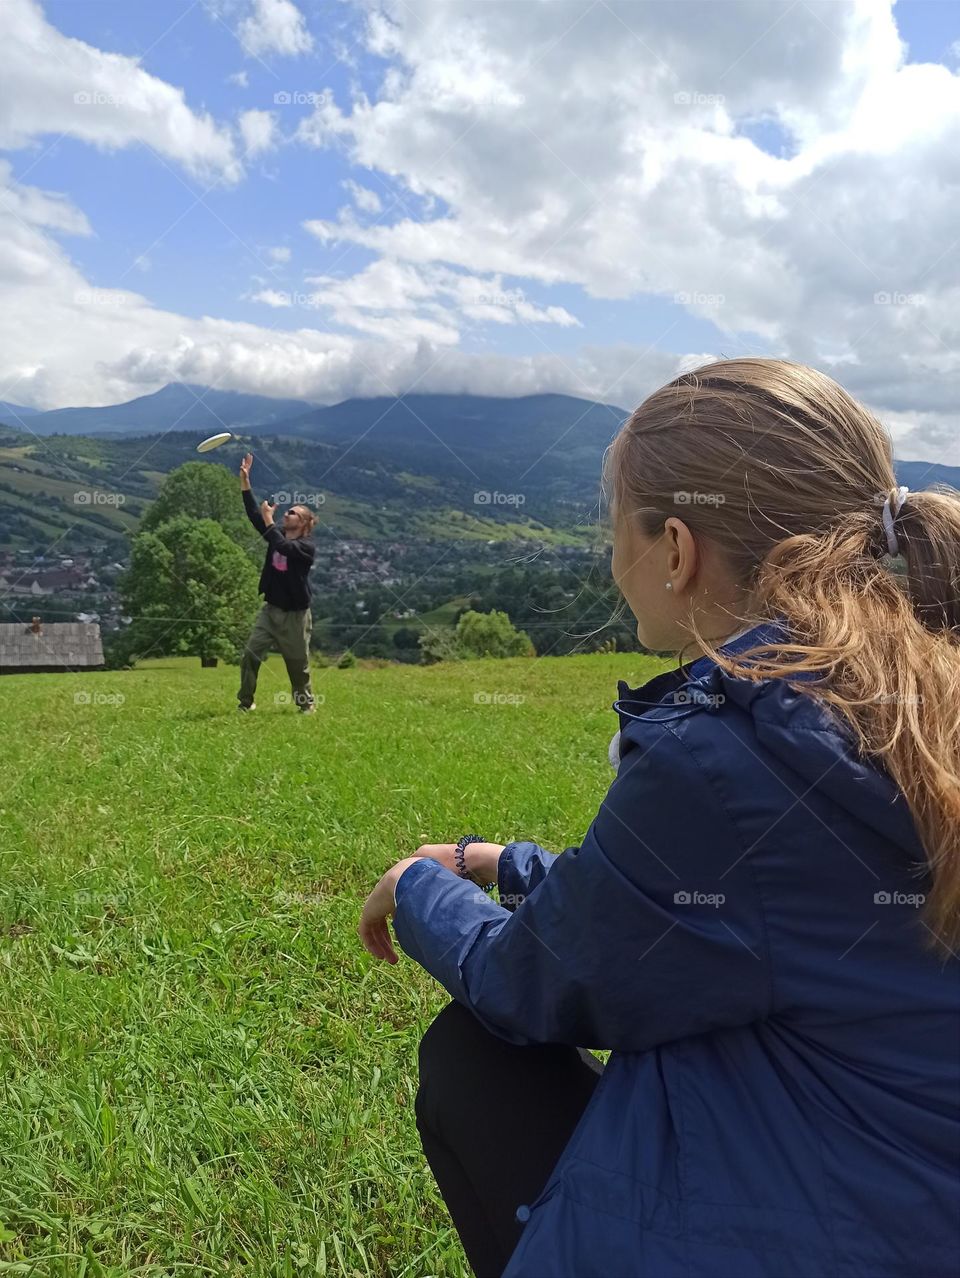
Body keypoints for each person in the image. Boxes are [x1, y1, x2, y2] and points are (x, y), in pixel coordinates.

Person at [358, 358, 960, 1278]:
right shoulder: (902, 700)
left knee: (474, 1065)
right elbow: (735, 914)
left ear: (675, 551)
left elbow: (532, 984)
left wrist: (416, 889)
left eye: (615, 534)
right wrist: (506, 863)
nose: (612, 561)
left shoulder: (735, 751)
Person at [237, 452, 317, 713]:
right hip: (270, 610)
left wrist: (269, 519)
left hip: (295, 615)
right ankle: (245, 703)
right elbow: (253, 515)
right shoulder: (278, 534)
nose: (287, 514)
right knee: (250, 655)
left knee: (297, 664)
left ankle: (306, 705)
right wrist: (245, 482)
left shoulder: (305, 547)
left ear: (304, 523)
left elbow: (282, 545)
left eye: (293, 512)